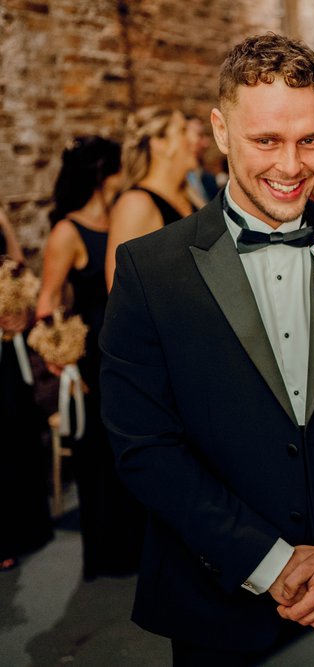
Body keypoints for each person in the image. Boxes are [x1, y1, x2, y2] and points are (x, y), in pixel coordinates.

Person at [100, 33, 314, 665]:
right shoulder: (150, 269)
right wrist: (267, 559)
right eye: (266, 141)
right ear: (221, 131)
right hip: (220, 601)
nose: (291, 165)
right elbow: (143, 443)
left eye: (310, 139)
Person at [35, 136, 146, 580]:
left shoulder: (123, 220)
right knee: (101, 460)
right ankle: (109, 555)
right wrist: (61, 361)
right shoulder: (68, 231)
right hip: (91, 363)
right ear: (104, 174)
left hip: (124, 354)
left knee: (132, 451)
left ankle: (138, 545)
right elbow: (46, 306)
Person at [0, 208, 53, 572]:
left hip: (7, 342)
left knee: (18, 427)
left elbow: (15, 262)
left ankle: (29, 526)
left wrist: (4, 221)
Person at [105, 106, 198, 288]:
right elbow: (120, 291)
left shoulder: (190, 197)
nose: (195, 139)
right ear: (159, 143)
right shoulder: (136, 204)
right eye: (183, 131)